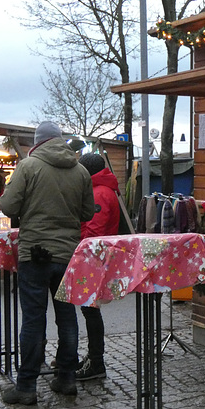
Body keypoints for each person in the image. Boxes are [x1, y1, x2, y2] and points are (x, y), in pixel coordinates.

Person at [0, 121, 94, 406]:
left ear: (38, 143)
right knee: (67, 318)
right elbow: (88, 211)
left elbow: (8, 207)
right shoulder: (80, 170)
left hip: (34, 253)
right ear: (60, 141)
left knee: (33, 320)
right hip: (67, 255)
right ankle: (66, 379)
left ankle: (26, 386)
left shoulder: (28, 167)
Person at [75, 153, 121, 381]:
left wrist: (77, 246)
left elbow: (94, 232)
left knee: (90, 311)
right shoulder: (102, 189)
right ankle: (94, 358)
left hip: (93, 258)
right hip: (96, 256)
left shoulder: (99, 193)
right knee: (89, 310)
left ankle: (96, 361)